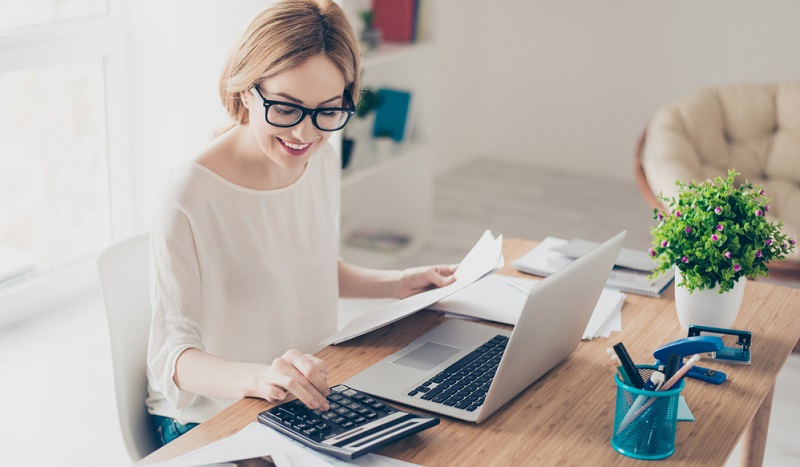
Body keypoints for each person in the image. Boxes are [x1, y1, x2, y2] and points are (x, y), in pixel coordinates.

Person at [145, 0, 457, 446]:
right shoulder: (190, 191)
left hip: (303, 403)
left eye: (328, 110)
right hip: (211, 419)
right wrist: (261, 378)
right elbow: (171, 358)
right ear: (247, 89)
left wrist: (399, 283)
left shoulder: (320, 161)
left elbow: (308, 267)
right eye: (287, 108)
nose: (305, 134)